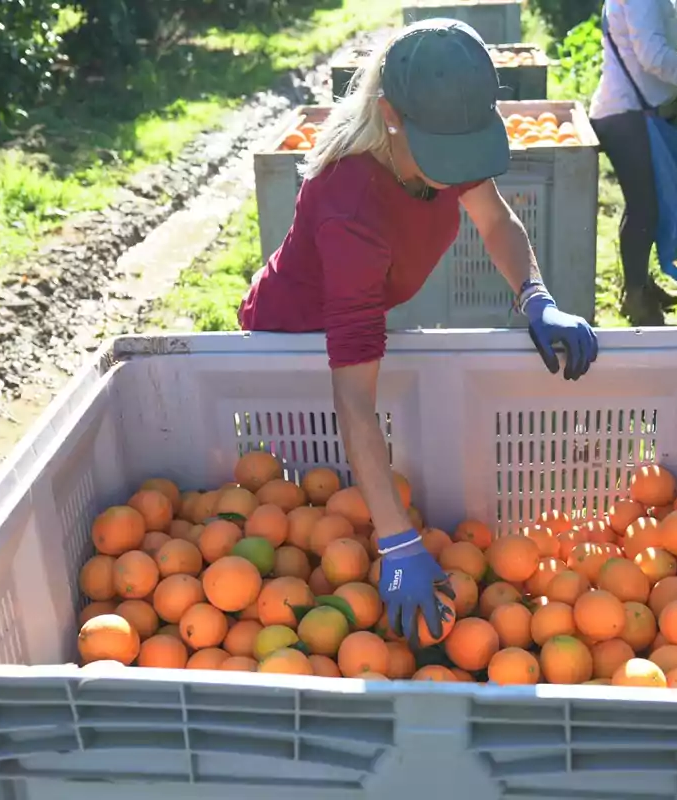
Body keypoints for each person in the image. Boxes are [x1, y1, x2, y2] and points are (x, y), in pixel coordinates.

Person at [237, 19, 599, 646]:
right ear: (389, 115)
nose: (455, 171)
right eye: (443, 155)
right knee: (306, 502)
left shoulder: (440, 139)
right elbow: (353, 400)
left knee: (339, 508)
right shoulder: (350, 208)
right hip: (293, 343)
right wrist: (400, 543)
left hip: (356, 322)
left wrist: (536, 295)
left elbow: (495, 219)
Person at [590, 0, 677, 326]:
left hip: (631, 111)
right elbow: (654, 56)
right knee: (645, 207)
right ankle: (635, 298)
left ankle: (639, 285)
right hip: (625, 113)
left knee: (643, 205)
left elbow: (661, 47)